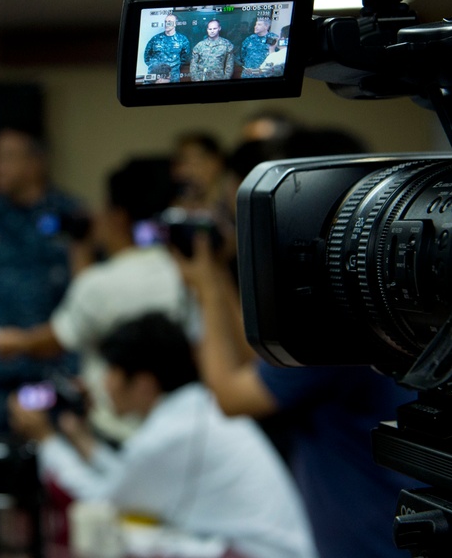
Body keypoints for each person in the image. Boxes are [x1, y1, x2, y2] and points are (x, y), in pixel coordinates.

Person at [175, 231, 419, 558]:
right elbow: (261, 366)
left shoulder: (332, 329)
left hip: (372, 542)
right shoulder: (354, 308)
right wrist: (217, 278)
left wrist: (205, 291)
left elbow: (230, 396)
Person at [8, 313, 317, 558]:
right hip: (267, 548)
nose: (105, 383)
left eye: (112, 371)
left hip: (256, 553)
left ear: (143, 383)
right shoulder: (193, 408)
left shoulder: (168, 435)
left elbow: (103, 500)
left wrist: (46, 440)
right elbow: (132, 476)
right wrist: (83, 442)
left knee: (118, 538)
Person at [0, 158, 194, 443]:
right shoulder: (186, 273)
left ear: (117, 216)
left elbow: (58, 338)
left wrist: (15, 342)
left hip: (116, 430)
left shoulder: (100, 285)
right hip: (177, 425)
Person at [0, 127, 84, 438]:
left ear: (36, 163)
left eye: (8, 157)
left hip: (58, 368)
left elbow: (87, 294)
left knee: (59, 467)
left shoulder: (70, 215)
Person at [142, 14, 191, 83]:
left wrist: (173, 68)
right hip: (154, 77)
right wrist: (155, 67)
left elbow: (185, 58)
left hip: (172, 77)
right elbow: (147, 56)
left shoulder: (182, 40)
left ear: (175, 24)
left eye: (169, 22)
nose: (166, 24)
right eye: (165, 21)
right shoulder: (155, 39)